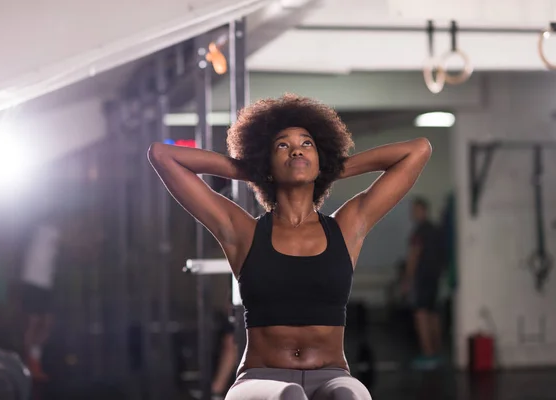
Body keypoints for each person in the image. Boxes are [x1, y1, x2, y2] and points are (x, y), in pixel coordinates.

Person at [149, 94, 431, 399]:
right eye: (282, 145)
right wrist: (250, 170)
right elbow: (162, 156)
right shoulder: (243, 231)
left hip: (332, 374)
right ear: (267, 163)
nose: (296, 149)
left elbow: (418, 151)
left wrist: (331, 168)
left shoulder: (347, 227)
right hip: (260, 378)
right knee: (290, 396)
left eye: (306, 144)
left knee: (350, 396)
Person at [400, 197, 444, 369]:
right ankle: (437, 352)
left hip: (422, 278)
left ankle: (428, 354)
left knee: (421, 314)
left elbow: (413, 257)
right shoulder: (435, 230)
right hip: (434, 277)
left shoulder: (418, 232)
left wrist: (407, 280)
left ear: (424, 211)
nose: (413, 214)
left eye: (416, 210)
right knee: (433, 314)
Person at [20, 219, 61, 380]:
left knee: (46, 323)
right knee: (34, 323)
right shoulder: (45, 229)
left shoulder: (51, 230)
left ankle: (32, 359)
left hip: (44, 284)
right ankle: (29, 363)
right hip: (34, 282)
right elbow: (72, 242)